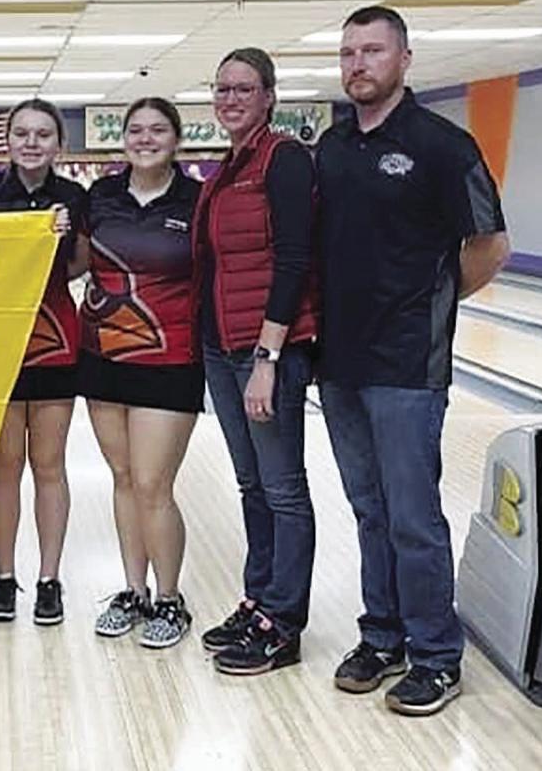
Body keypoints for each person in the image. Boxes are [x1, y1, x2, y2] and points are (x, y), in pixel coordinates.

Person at [317, 5, 509, 716]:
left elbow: (490, 245)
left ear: (404, 59)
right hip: (339, 362)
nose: (357, 64)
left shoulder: (442, 145)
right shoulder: (333, 148)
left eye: (372, 50)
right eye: (347, 53)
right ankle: (383, 634)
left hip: (406, 365)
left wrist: (429, 302)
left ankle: (435, 653)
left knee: (412, 515)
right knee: (369, 510)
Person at [192, 48, 319, 674]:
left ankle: (284, 623)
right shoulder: (227, 166)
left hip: (264, 352)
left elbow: (294, 260)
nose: (231, 99)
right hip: (222, 348)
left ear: (269, 95)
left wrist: (268, 356)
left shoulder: (284, 159)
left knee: (283, 488)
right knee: (251, 484)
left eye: (244, 89)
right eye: (222, 90)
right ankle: (259, 599)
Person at [81, 97, 204, 650]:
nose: (146, 139)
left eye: (158, 130)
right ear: (122, 139)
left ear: (177, 139)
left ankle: (171, 599)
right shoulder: (100, 196)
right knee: (125, 478)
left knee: (154, 484)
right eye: (135, 130)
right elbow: (75, 262)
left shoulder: (198, 201)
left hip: (171, 359)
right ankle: (133, 591)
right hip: (101, 356)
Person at [0, 99, 88, 626]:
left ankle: (49, 578)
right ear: (8, 140)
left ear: (58, 144)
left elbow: (80, 262)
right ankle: (4, 577)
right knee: (3, 467)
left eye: (43, 134)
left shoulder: (73, 198)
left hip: (55, 339)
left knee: (48, 464)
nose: (31, 142)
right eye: (22, 133)